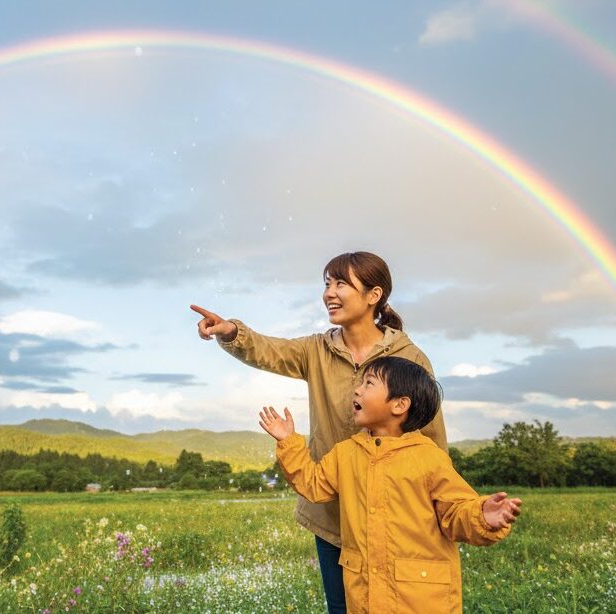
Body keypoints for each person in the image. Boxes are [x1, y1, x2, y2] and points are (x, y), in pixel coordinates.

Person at [191, 251, 447, 613]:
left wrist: (443, 509)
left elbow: (433, 441)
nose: (329, 292)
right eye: (327, 283)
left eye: (341, 283)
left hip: (395, 516)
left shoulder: (409, 357)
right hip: (333, 515)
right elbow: (268, 350)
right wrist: (230, 331)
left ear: (374, 295)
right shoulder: (317, 350)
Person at [258, 356, 521, 613]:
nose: (357, 390)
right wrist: (289, 441)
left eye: (369, 383)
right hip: (365, 594)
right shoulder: (346, 453)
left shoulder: (428, 457)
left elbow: (455, 512)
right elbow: (313, 484)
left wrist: (482, 515)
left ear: (399, 405)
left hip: (420, 598)